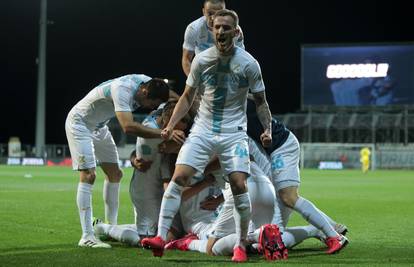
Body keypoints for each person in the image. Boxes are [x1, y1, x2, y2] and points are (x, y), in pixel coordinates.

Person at [141, 9, 273, 263]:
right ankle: (160, 237)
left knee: (238, 184)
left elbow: (261, 102)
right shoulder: (201, 60)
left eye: (226, 28)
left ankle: (241, 245)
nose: (221, 31)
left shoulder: (249, 63)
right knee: (179, 177)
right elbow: (188, 97)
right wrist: (172, 125)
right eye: (217, 27)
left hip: (234, 133)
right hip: (202, 130)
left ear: (236, 32)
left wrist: (266, 128)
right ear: (211, 31)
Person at [65, 74, 185, 248]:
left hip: (99, 126)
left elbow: (174, 96)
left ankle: (109, 226)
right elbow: (128, 127)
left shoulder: (147, 82)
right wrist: (166, 133)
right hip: (80, 123)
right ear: (144, 92)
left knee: (115, 174)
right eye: (152, 104)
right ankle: (87, 236)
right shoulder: (123, 89)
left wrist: (189, 105)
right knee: (89, 175)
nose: (151, 108)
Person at [245, 96, 349, 254]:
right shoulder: (230, 103)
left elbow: (259, 100)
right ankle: (325, 227)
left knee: (289, 196)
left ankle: (333, 236)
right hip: (269, 159)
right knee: (265, 244)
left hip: (281, 146)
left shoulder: (233, 100)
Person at [182, 0, 244, 76]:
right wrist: (193, 81)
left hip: (226, 72)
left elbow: (240, 57)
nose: (213, 18)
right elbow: (186, 59)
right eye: (210, 13)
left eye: (218, 13)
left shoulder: (235, 31)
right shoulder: (193, 29)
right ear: (204, 11)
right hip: (202, 71)